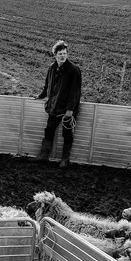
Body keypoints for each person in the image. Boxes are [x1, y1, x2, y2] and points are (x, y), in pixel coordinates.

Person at [34, 40, 82, 169]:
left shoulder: (74, 70)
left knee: (67, 133)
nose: (62, 56)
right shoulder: (52, 68)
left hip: (67, 110)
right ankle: (44, 155)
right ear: (55, 54)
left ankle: (65, 159)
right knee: (49, 130)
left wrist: (70, 110)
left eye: (64, 53)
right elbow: (47, 86)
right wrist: (40, 96)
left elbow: (75, 92)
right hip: (53, 107)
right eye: (60, 53)